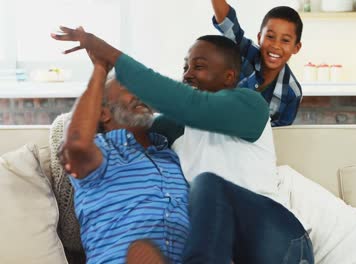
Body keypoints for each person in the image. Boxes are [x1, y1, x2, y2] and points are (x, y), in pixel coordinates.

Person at [52, 28, 314, 264]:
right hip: (231, 252)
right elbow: (90, 135)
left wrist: (107, 56)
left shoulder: (250, 105)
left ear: (229, 77)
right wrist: (100, 76)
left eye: (198, 66)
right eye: (185, 66)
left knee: (207, 184)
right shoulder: (165, 138)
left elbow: (186, 103)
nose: (187, 74)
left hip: (278, 240)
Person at [59, 48, 190, 263]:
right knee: (142, 254)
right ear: (102, 113)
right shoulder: (101, 151)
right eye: (130, 88)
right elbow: (76, 143)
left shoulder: (172, 154)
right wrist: (101, 69)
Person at [210, 0, 303, 127]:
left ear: (296, 48)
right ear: (259, 38)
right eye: (270, 36)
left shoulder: (292, 94)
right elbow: (227, 23)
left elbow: (279, 135)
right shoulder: (244, 51)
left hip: (251, 145)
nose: (276, 46)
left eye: (285, 40)